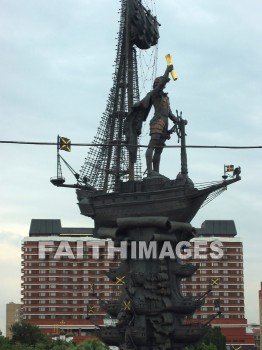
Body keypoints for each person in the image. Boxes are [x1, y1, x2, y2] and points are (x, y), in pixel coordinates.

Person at [145, 64, 178, 175]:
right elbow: (161, 84)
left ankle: (156, 172)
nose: (163, 86)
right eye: (161, 84)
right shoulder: (155, 94)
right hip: (157, 121)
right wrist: (167, 71)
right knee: (152, 145)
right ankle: (150, 171)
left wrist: (178, 121)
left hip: (165, 123)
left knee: (159, 149)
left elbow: (169, 113)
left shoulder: (166, 97)